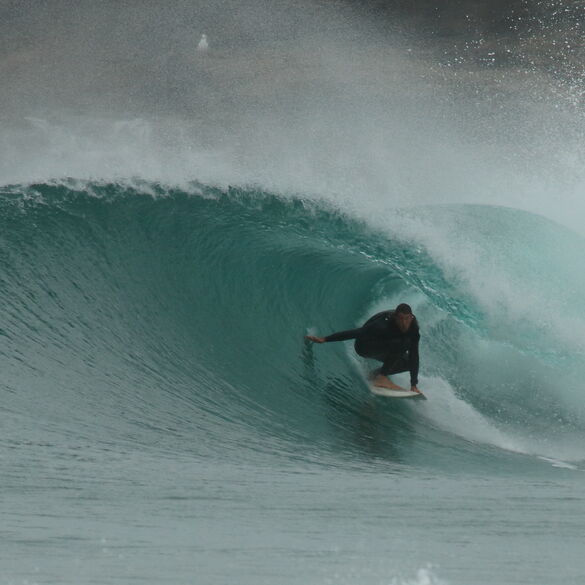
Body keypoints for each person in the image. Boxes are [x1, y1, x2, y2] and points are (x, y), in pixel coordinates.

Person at [305, 303, 421, 393]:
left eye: (406, 319)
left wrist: (413, 384)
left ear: (411, 317)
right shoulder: (382, 325)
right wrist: (325, 339)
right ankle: (382, 378)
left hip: (384, 347)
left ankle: (374, 375)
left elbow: (414, 355)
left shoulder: (414, 328)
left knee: (409, 362)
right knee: (401, 343)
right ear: (395, 317)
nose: (404, 323)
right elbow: (355, 333)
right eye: (400, 319)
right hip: (364, 346)